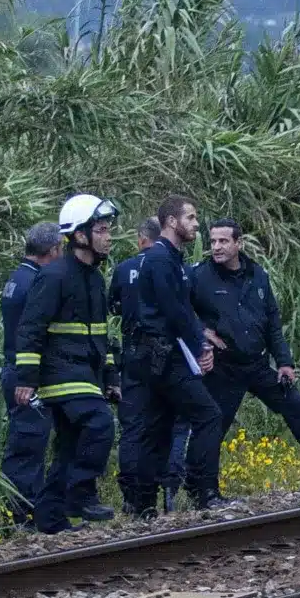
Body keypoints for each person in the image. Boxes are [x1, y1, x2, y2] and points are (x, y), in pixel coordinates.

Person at [190, 219, 300, 489]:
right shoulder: (198, 276)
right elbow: (177, 311)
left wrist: (284, 362)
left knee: (298, 406)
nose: (216, 247)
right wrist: (202, 333)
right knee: (213, 425)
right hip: (223, 369)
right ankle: (201, 490)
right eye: (213, 241)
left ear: (238, 243)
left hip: (257, 364)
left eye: (223, 241)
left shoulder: (257, 275)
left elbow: (272, 322)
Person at [12, 196, 121, 532]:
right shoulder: (55, 276)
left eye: (108, 230)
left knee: (70, 446)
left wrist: (111, 376)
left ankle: (50, 519)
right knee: (101, 423)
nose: (108, 237)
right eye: (101, 230)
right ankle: (80, 493)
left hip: (84, 373)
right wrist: (26, 378)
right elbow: (30, 329)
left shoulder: (94, 278)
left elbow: (101, 336)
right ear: (80, 235)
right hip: (60, 373)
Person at [121, 195, 228, 516]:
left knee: (159, 427)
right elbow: (174, 311)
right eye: (192, 218)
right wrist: (201, 347)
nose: (197, 224)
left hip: (160, 356)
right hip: (164, 357)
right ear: (172, 221)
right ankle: (205, 492)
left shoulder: (172, 259)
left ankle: (143, 505)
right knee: (208, 415)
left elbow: (182, 310)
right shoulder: (160, 260)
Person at [111, 217, 190, 511]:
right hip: (172, 354)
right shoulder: (175, 266)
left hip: (135, 355)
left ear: (141, 238)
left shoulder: (123, 269)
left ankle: (134, 496)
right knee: (172, 423)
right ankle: (168, 487)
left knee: (134, 427)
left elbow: (114, 306)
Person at [0, 222, 60, 528]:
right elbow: (31, 334)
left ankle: (28, 513)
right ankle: (20, 517)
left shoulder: (17, 277)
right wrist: (29, 378)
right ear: (53, 251)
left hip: (15, 370)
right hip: (25, 376)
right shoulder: (35, 282)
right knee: (27, 447)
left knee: (28, 445)